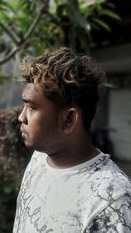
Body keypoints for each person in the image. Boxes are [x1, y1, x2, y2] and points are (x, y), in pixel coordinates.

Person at [13, 47, 131, 233]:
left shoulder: (111, 199)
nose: (21, 117)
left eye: (32, 107)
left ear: (69, 119)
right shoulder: (39, 158)